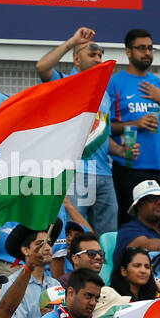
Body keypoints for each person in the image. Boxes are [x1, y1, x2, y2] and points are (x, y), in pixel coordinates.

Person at [36, 26, 119, 235]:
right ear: (76, 60)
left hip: (104, 173)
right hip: (76, 172)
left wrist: (122, 151)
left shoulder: (105, 93)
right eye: (92, 54)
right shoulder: (66, 83)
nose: (98, 59)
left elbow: (101, 134)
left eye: (100, 55)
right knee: (74, 233)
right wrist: (72, 42)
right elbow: (42, 67)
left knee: (108, 236)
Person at [108, 28, 160, 221]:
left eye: (150, 48)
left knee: (159, 225)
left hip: (156, 167)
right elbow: (104, 127)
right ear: (128, 52)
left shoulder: (156, 83)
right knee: (128, 224)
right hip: (127, 167)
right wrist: (136, 123)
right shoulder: (115, 82)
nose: (147, 53)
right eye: (141, 48)